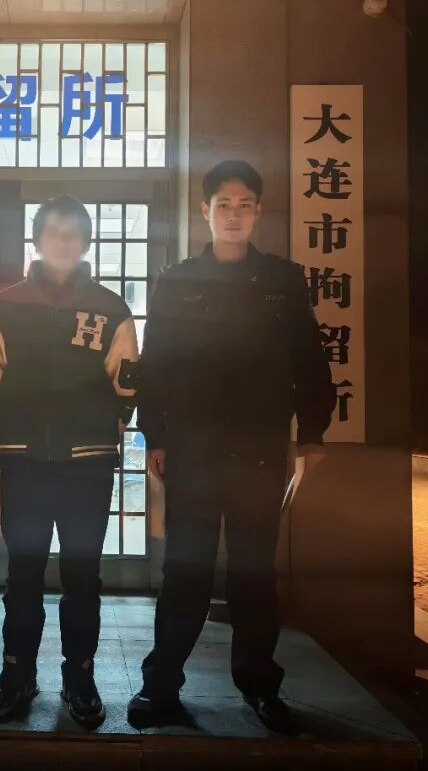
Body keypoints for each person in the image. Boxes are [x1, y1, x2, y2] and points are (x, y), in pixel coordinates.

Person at [127, 161, 336, 735]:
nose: (234, 215)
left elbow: (309, 360)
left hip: (259, 450)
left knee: (253, 574)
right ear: (205, 211)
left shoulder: (282, 281)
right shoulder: (176, 280)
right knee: (185, 571)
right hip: (192, 451)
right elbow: (156, 363)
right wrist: (155, 435)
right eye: (224, 204)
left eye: (245, 205)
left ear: (259, 211)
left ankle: (260, 686)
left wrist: (312, 435)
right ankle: (160, 686)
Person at [0, 196, 139, 729]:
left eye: (73, 232)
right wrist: (14, 433)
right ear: (38, 239)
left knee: (82, 575)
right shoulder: (6, 306)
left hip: (88, 465)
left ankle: (80, 676)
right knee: (22, 574)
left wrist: (100, 432)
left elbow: (125, 382)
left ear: (86, 241)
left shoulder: (111, 308)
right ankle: (16, 672)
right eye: (53, 231)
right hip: (24, 464)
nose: (63, 240)